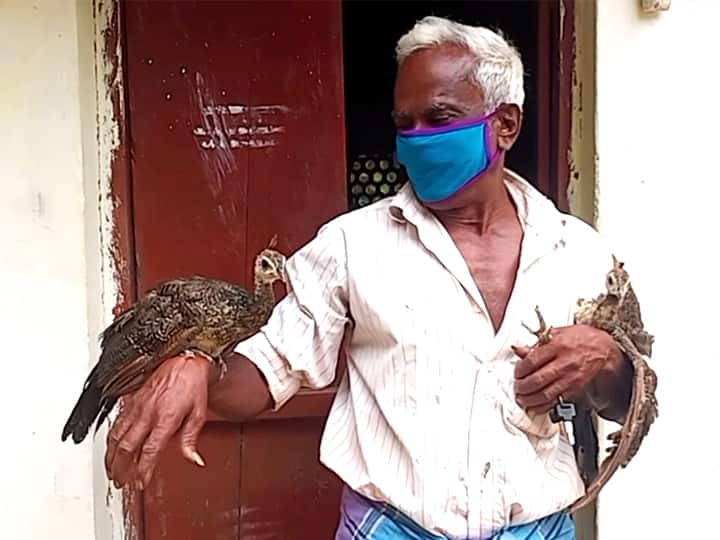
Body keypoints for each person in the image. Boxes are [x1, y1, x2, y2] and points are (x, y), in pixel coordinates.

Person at [104, 16, 632, 540]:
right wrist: (202, 368)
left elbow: (629, 400)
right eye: (406, 125)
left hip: (538, 532)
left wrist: (607, 360)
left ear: (506, 124)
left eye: (439, 117)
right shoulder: (352, 245)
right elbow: (270, 368)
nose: (416, 140)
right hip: (389, 530)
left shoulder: (577, 251)